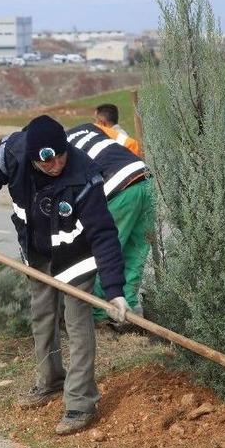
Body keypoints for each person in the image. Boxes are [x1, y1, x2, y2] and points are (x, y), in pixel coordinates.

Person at [0, 115, 128, 435]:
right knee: (42, 315)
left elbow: (104, 235)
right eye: (47, 160)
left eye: (61, 155)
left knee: (77, 322)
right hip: (37, 251)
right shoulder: (11, 153)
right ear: (33, 157)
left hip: (76, 255)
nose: (57, 164)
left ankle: (81, 402)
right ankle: (50, 380)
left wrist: (115, 289)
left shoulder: (85, 176)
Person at [66, 122, 154, 325]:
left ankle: (100, 313)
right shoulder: (91, 127)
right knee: (136, 251)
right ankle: (128, 309)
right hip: (145, 177)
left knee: (105, 250)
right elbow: (131, 143)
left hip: (116, 186)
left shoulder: (60, 150)